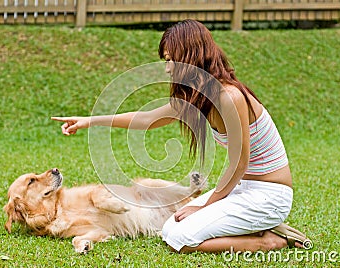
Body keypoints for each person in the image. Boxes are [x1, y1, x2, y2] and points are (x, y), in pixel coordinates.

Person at [52, 20, 310, 253]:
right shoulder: (199, 97)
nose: (166, 69)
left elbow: (239, 163)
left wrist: (203, 206)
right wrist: (89, 121)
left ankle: (267, 241)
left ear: (191, 57)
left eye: (170, 60)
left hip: (269, 196)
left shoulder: (228, 96)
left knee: (181, 239)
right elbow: (146, 119)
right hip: (243, 191)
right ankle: (254, 227)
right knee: (171, 225)